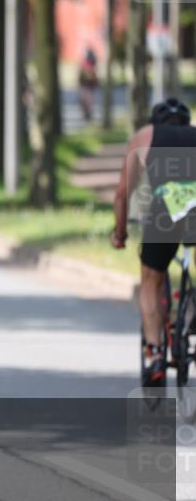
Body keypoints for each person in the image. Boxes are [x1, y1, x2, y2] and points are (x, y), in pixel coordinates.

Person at [111, 97, 196, 386]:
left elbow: (123, 193)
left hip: (167, 209)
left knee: (151, 278)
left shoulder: (145, 135)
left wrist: (120, 234)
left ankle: (156, 352)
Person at [78, 47, 99, 122]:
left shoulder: (89, 64)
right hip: (86, 85)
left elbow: (93, 77)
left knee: (87, 101)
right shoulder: (85, 64)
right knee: (85, 101)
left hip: (88, 85)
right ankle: (87, 114)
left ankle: (88, 114)